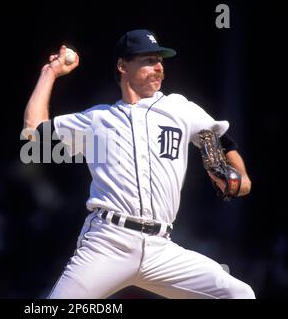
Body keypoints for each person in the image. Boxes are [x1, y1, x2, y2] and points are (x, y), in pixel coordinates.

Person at [22, 29, 255, 299]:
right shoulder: (97, 119)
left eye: (160, 60)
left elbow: (224, 142)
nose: (158, 67)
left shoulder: (180, 108)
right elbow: (34, 132)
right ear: (123, 66)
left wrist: (242, 177)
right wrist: (49, 73)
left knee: (239, 294)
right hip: (108, 241)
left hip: (161, 248)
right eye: (148, 60)